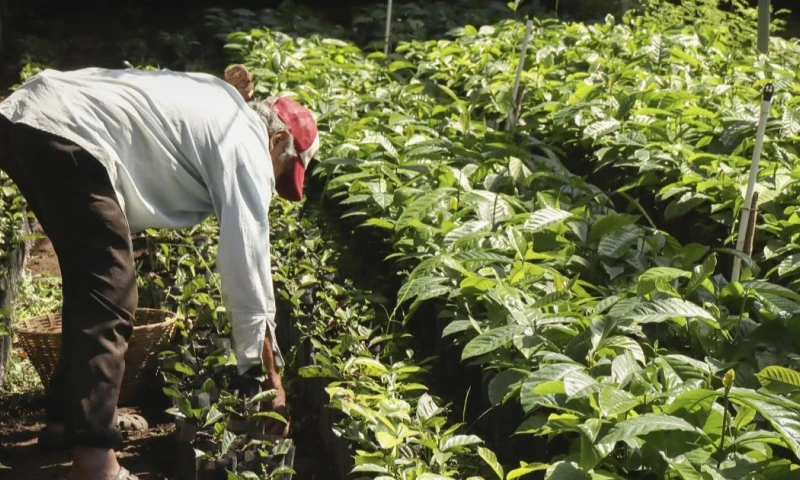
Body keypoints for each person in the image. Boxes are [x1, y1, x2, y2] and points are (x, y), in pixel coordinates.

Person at [0, 64, 318, 480]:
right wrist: (267, 377)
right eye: (282, 173)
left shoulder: (221, 104)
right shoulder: (247, 144)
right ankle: (95, 462)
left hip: (28, 117)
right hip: (69, 131)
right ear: (277, 140)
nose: (273, 184)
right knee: (112, 296)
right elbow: (248, 268)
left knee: (90, 286)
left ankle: (66, 419)